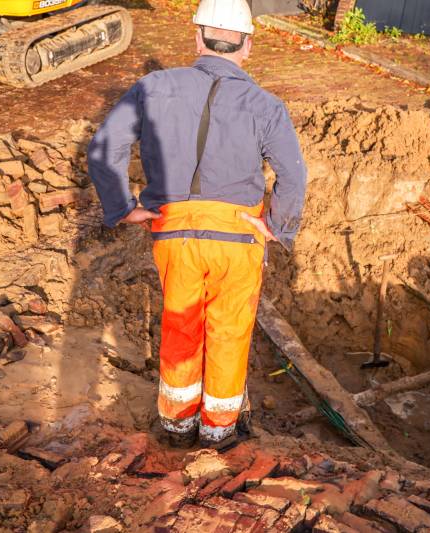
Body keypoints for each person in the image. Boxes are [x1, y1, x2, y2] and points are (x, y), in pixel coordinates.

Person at [87, 0, 307, 449]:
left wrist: (124, 207)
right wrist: (276, 226)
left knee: (180, 321)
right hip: (237, 233)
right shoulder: (266, 105)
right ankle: (218, 431)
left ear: (197, 37)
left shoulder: (153, 86)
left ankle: (175, 425)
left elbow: (104, 148)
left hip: (173, 231)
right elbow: (294, 174)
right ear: (247, 45)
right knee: (227, 329)